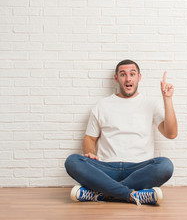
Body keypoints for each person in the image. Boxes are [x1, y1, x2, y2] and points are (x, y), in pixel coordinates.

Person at [64, 59, 177, 206]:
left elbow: (171, 133)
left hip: (139, 169)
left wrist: (167, 99)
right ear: (116, 78)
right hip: (106, 169)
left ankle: (102, 194)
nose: (128, 78)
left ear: (139, 77)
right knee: (72, 161)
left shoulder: (151, 104)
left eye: (132, 74)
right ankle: (131, 195)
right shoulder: (102, 105)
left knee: (165, 165)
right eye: (123, 74)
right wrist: (90, 152)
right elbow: (89, 139)